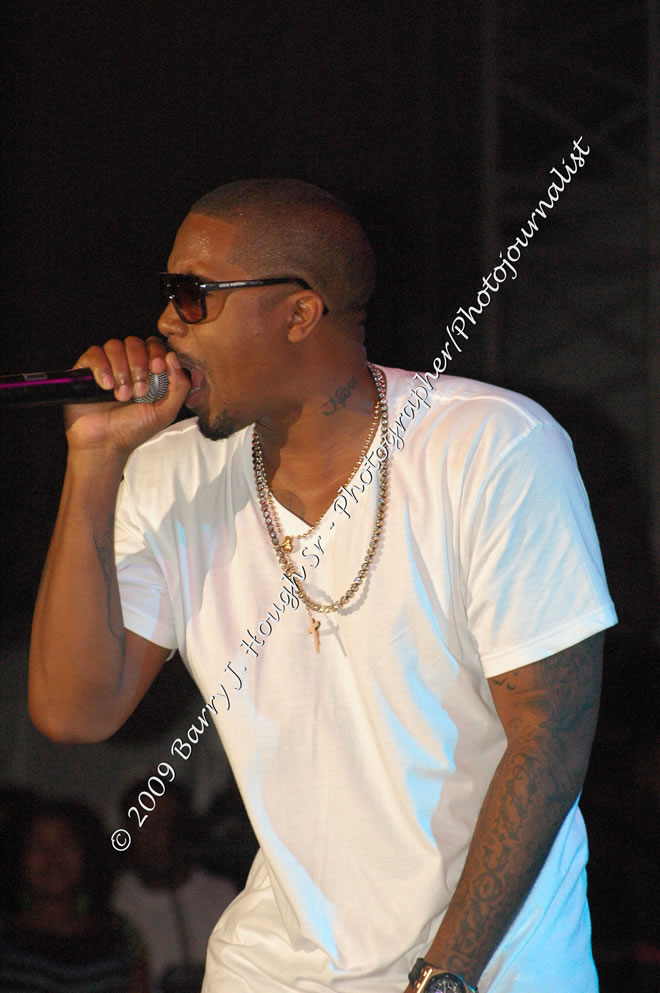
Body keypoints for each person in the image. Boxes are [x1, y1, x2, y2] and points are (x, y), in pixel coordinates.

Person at [29, 178, 617, 993]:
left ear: (300, 312)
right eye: (168, 294)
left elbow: (549, 737)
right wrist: (94, 460)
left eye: (193, 295)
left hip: (494, 966)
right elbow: (74, 710)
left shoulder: (491, 448)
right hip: (275, 967)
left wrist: (444, 976)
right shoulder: (169, 477)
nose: (166, 323)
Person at [0, 797, 150, 992]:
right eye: (38, 845)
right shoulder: (5, 935)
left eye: (65, 844)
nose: (53, 858)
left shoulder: (122, 935)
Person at [113, 781, 236, 991]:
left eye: (166, 821)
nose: (159, 836)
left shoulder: (226, 895)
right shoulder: (114, 903)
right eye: (145, 825)